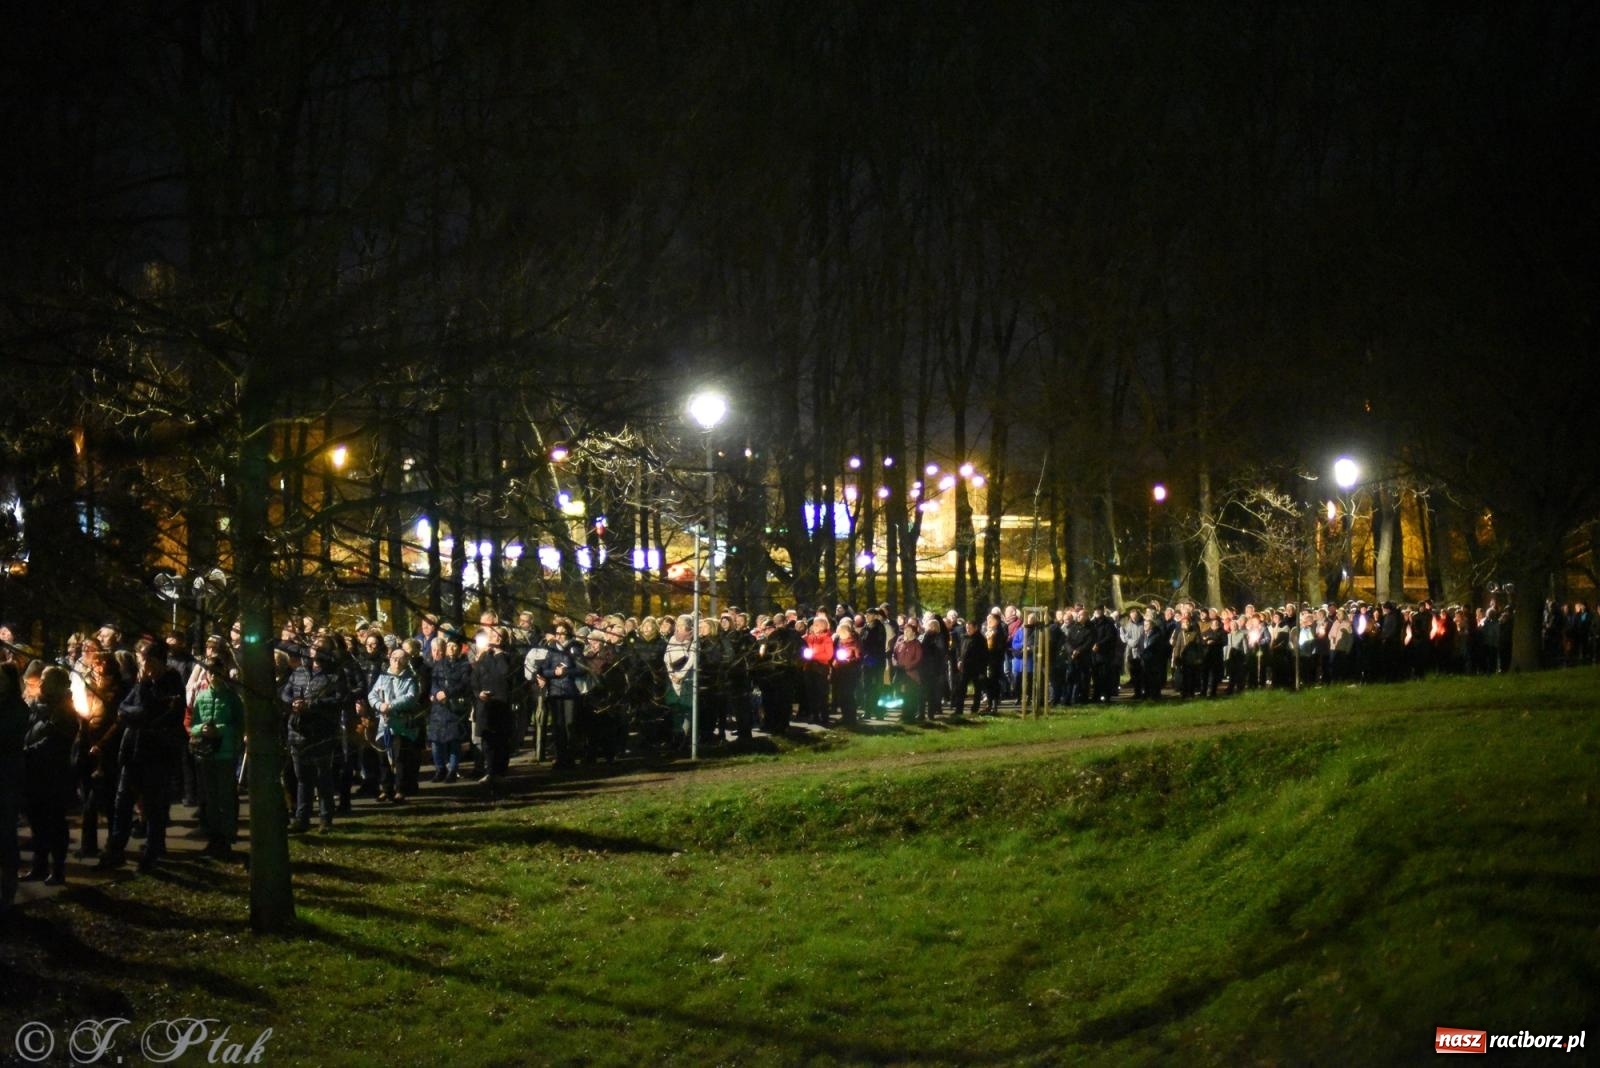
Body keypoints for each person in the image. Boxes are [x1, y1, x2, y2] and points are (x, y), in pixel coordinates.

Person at [100, 638, 186, 872]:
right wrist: (138, 713)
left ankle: (153, 851)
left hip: (156, 754)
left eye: (145, 660)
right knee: (123, 803)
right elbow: (124, 709)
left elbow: (158, 713)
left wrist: (140, 713)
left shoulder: (171, 683)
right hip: (132, 752)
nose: (142, 665)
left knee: (154, 805)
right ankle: (115, 849)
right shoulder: (142, 683)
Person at [281, 638, 347, 830]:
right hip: (298, 731)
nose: (315, 653)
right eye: (313, 649)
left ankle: (326, 818)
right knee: (302, 778)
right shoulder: (299, 672)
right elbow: (285, 693)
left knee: (323, 777)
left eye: (320, 649)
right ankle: (302, 818)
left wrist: (313, 705)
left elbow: (340, 699)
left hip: (321, 732)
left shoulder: (334, 675)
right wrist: (293, 702)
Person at [22, 665, 78, 886]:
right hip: (34, 773)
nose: (41, 683)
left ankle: (58, 869)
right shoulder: (37, 705)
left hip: (54, 774)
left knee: (54, 822)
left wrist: (26, 752)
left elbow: (55, 742)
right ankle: (39, 865)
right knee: (36, 821)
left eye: (46, 680)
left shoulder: (63, 710)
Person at [189, 657, 244, 857]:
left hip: (225, 752)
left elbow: (239, 725)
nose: (213, 676)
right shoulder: (201, 697)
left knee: (225, 796)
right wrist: (201, 729)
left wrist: (220, 731)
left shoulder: (231, 698)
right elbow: (193, 723)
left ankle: (228, 835)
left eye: (217, 672)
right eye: (210, 672)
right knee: (210, 797)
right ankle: (214, 836)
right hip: (206, 752)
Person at [367, 647, 422, 803]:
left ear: (406, 661)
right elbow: (372, 695)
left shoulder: (410, 679)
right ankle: (386, 788)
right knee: (383, 758)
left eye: (400, 658)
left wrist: (390, 705)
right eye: (393, 658)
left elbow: (410, 697)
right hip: (384, 725)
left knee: (400, 759)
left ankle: (400, 789)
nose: (396, 661)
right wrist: (379, 705)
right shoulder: (383, 677)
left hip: (401, 725)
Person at [0, 663, 31, 911]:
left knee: (6, 831)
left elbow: (9, 739)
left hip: (7, 774)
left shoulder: (16, 709)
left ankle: (8, 888)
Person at [471, 627, 515, 783]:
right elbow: (474, 679)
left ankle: (500, 772)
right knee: (487, 740)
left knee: (501, 740)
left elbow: (505, 674)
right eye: (491, 635)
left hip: (501, 704)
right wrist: (478, 693)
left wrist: (499, 654)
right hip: (485, 704)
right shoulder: (483, 658)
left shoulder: (507, 657)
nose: (492, 638)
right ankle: (489, 771)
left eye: (496, 636)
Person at [428, 636, 470, 783]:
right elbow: (433, 682)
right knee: (436, 741)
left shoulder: (464, 665)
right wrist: (435, 693)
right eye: (449, 646)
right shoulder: (438, 665)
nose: (451, 649)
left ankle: (452, 769)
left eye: (454, 646)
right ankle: (440, 768)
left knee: (454, 740)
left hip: (454, 706)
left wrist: (447, 692)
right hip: (438, 707)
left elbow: (464, 683)